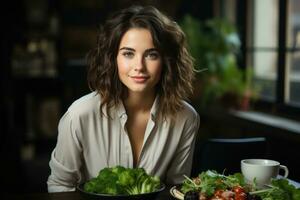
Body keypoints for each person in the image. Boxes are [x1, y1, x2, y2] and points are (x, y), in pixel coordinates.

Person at [47, 5, 200, 192]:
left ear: (167, 61)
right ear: (113, 58)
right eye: (128, 53)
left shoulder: (186, 118)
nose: (139, 66)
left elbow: (176, 188)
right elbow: (60, 185)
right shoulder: (79, 115)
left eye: (151, 55)